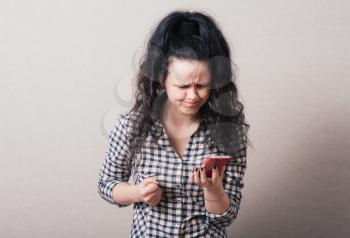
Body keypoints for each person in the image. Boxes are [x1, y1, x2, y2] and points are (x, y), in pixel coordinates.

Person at [98, 10, 250, 238]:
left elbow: (226, 217)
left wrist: (213, 189)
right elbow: (107, 184)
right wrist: (137, 192)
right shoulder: (131, 126)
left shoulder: (229, 133)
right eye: (182, 86)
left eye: (202, 86)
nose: (192, 96)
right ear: (162, 79)